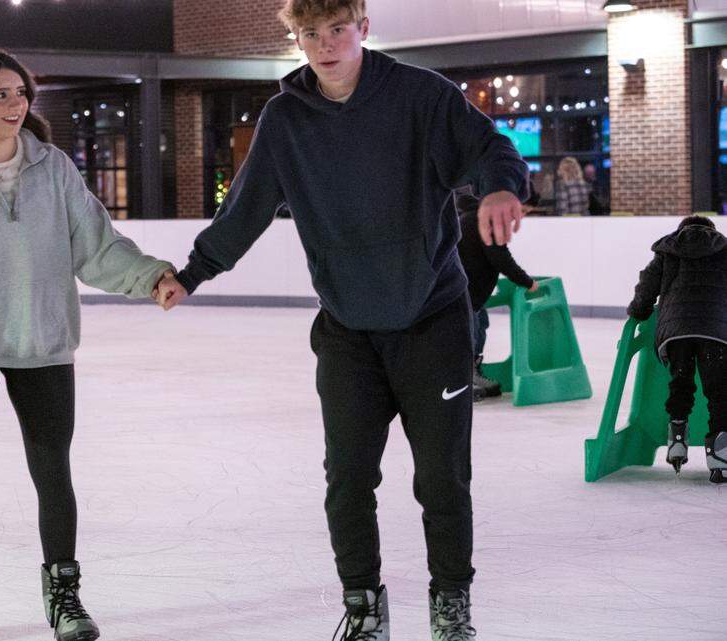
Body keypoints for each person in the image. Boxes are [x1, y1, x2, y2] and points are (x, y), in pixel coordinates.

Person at [153, 0, 528, 638]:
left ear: (362, 28)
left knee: (443, 478)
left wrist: (499, 185)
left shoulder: (418, 96)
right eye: (309, 34)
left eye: (336, 30)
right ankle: (363, 607)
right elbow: (245, 209)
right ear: (295, 38)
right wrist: (194, 271)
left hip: (432, 323)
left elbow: (490, 147)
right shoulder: (284, 119)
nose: (324, 45)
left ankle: (450, 605)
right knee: (348, 479)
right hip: (348, 331)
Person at [0, 50, 174, 641]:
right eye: (1, 93)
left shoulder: (54, 169)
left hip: (42, 344)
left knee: (53, 474)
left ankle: (64, 593)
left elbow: (96, 246)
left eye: (21, 92)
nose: (15, 103)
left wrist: (148, 275)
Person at [627, 215, 727, 483]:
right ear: (711, 231)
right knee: (719, 392)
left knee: (680, 384)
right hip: (716, 332)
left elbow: (647, 286)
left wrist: (639, 310)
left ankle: (678, 441)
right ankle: (721, 459)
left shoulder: (667, 251)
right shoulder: (723, 250)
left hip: (676, 333)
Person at [454, 190, 538, 402]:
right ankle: (462, 380)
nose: (520, 217)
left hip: (470, 294)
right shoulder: (485, 220)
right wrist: (528, 282)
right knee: (469, 335)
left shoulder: (475, 215)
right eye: (523, 211)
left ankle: (472, 373)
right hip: (463, 293)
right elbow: (500, 258)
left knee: (480, 327)